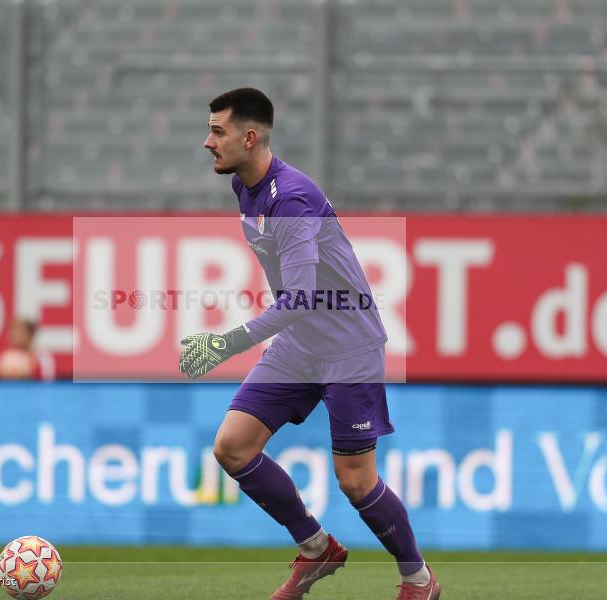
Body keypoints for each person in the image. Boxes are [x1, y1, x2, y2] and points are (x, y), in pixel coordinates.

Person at [179, 88, 439, 600]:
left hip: (348, 348)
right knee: (232, 447)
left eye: (217, 131)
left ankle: (419, 580)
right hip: (300, 346)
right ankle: (317, 549)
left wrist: (227, 343)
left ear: (248, 137)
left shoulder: (292, 199)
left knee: (356, 480)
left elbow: (299, 297)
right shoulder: (242, 185)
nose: (207, 142)